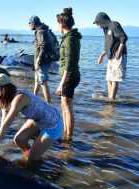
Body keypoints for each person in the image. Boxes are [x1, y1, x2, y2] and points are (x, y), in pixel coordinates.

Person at [0, 74, 63, 161]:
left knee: (31, 158)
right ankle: (34, 156)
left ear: (3, 89)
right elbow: (3, 125)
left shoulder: (19, 98)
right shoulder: (5, 100)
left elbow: (5, 126)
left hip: (53, 124)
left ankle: (36, 158)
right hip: (37, 119)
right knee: (19, 140)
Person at [56, 8, 82, 141]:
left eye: (57, 23)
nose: (57, 26)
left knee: (67, 108)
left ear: (62, 24)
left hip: (69, 77)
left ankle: (68, 137)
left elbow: (69, 64)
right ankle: (66, 133)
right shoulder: (69, 38)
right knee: (64, 107)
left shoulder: (70, 40)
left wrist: (61, 84)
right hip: (70, 76)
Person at [94, 12, 128, 100]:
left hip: (118, 56)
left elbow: (124, 37)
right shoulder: (105, 29)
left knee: (114, 79)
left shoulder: (114, 25)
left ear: (102, 21)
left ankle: (111, 101)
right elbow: (108, 44)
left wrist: (119, 51)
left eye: (98, 23)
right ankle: (110, 97)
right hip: (111, 56)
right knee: (109, 78)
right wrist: (101, 55)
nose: (98, 25)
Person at [29, 15, 53, 103]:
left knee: (42, 81)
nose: (29, 25)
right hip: (41, 59)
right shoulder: (42, 30)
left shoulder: (40, 31)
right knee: (37, 80)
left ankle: (48, 104)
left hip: (43, 60)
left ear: (33, 24)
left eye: (29, 24)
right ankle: (33, 99)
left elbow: (44, 46)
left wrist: (38, 60)